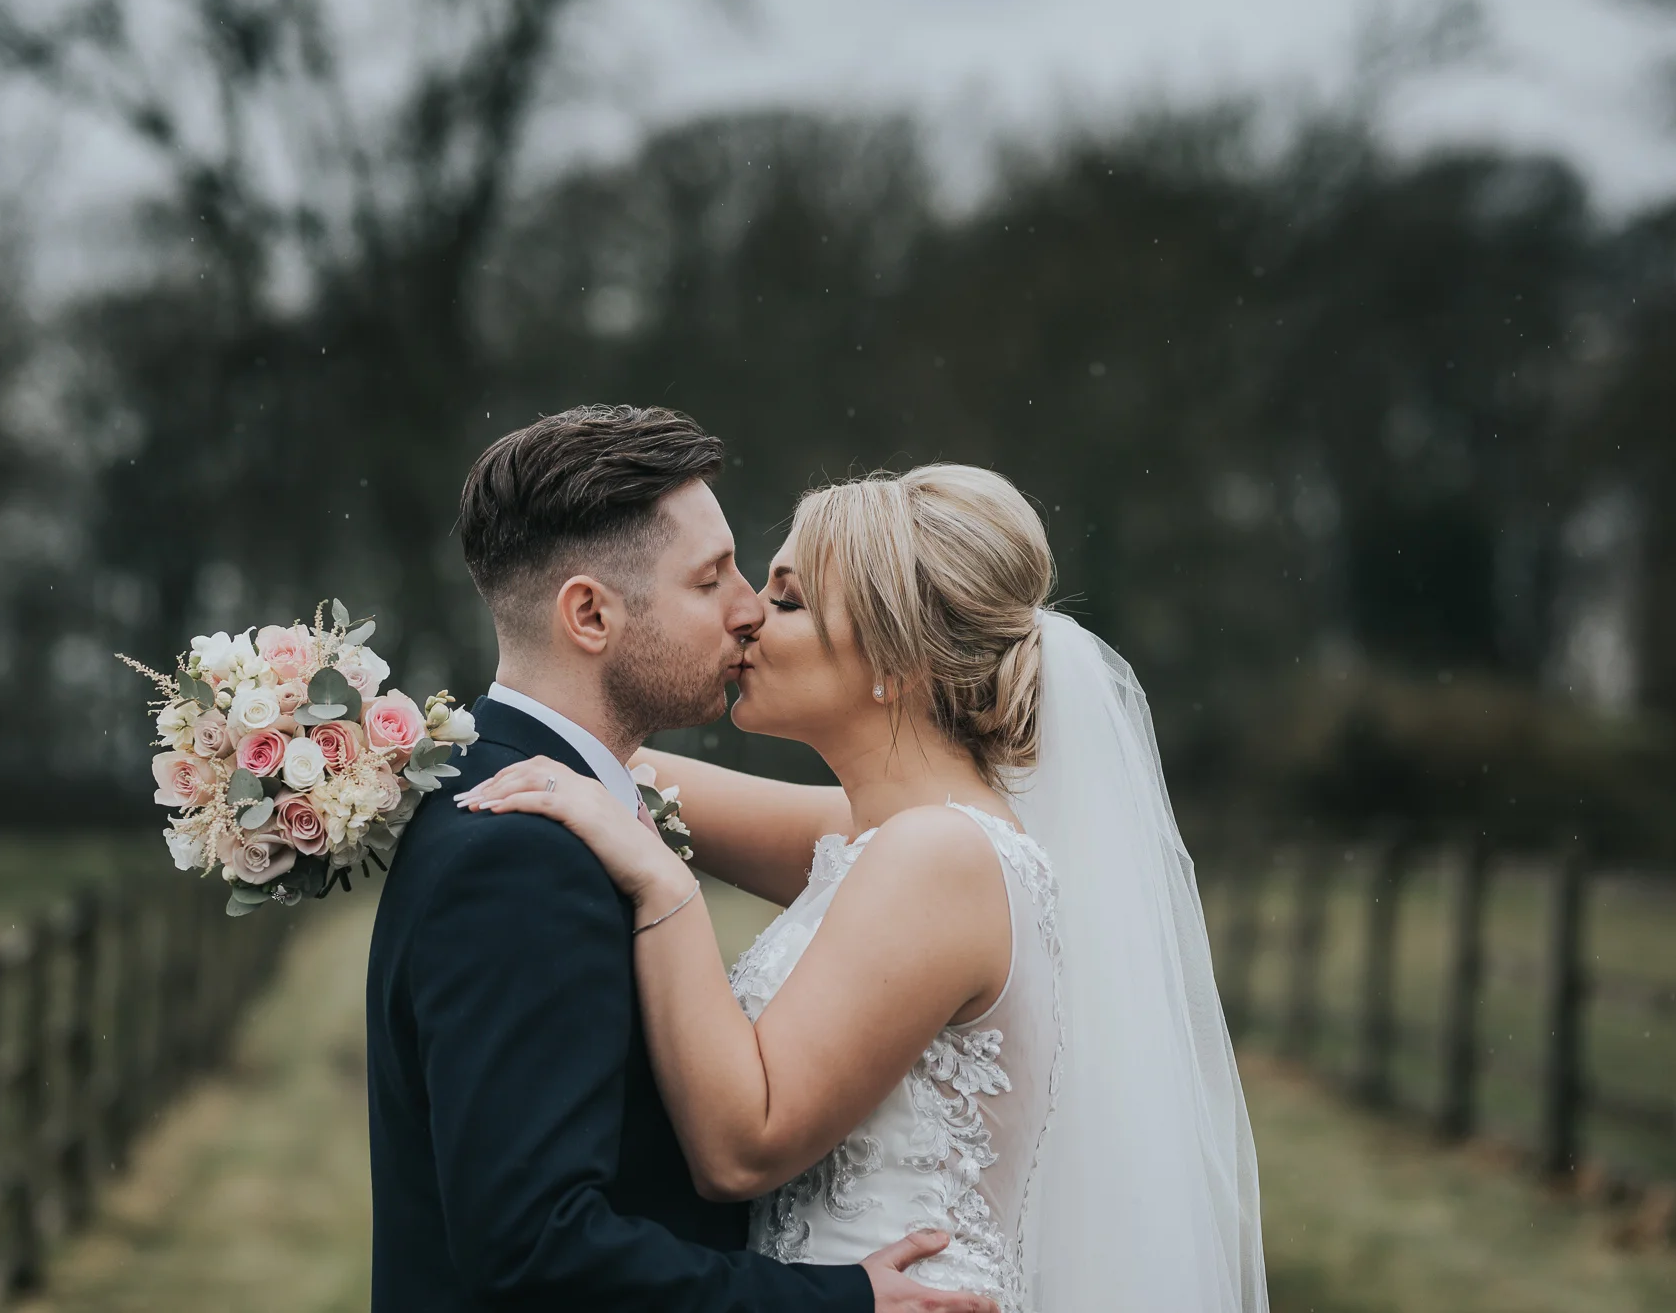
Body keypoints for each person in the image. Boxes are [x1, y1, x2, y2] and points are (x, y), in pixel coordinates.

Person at [460, 462, 1272, 1311]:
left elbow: (743, 1145)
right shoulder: (889, 835)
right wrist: (361, 737)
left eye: (788, 600)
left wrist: (665, 885)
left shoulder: (940, 859)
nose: (746, 617)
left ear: (900, 659)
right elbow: (598, 757)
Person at [367, 406, 998, 1312]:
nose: (748, 611)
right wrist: (836, 1302)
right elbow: (533, 1248)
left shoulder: (545, 794)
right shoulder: (519, 851)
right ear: (589, 613)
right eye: (712, 580)